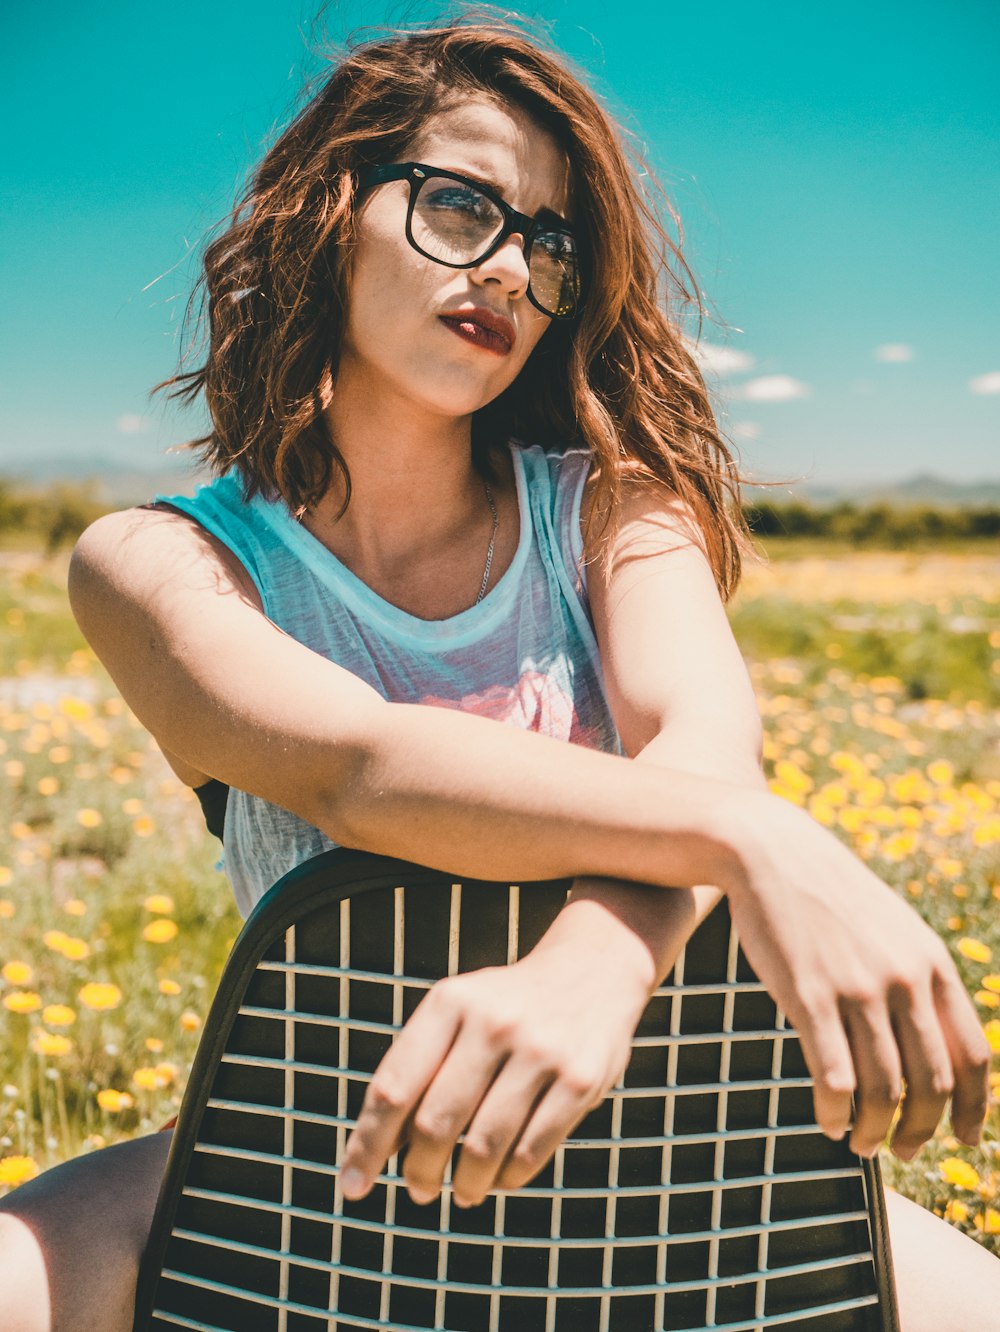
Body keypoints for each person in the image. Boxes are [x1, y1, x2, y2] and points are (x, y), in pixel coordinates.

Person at [1, 18, 997, 1331]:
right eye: (462, 205)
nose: (513, 271)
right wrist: (759, 839)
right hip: (325, 1158)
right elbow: (358, 764)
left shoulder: (617, 511)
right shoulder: (156, 562)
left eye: (549, 242)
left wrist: (591, 965)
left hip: (681, 1162)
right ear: (331, 208)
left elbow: (699, 741)